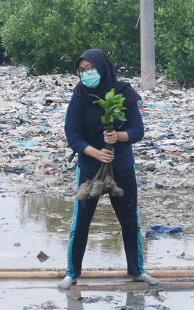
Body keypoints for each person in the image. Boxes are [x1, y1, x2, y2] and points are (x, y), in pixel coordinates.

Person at [58, 49, 158, 289]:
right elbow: (72, 134)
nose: (85, 74)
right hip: (90, 169)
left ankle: (137, 271)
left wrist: (120, 136)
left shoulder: (123, 94)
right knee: (81, 221)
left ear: (102, 68)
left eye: (90, 69)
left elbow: (137, 130)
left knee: (129, 220)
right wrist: (94, 151)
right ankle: (72, 272)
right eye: (81, 70)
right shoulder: (80, 96)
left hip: (122, 167)